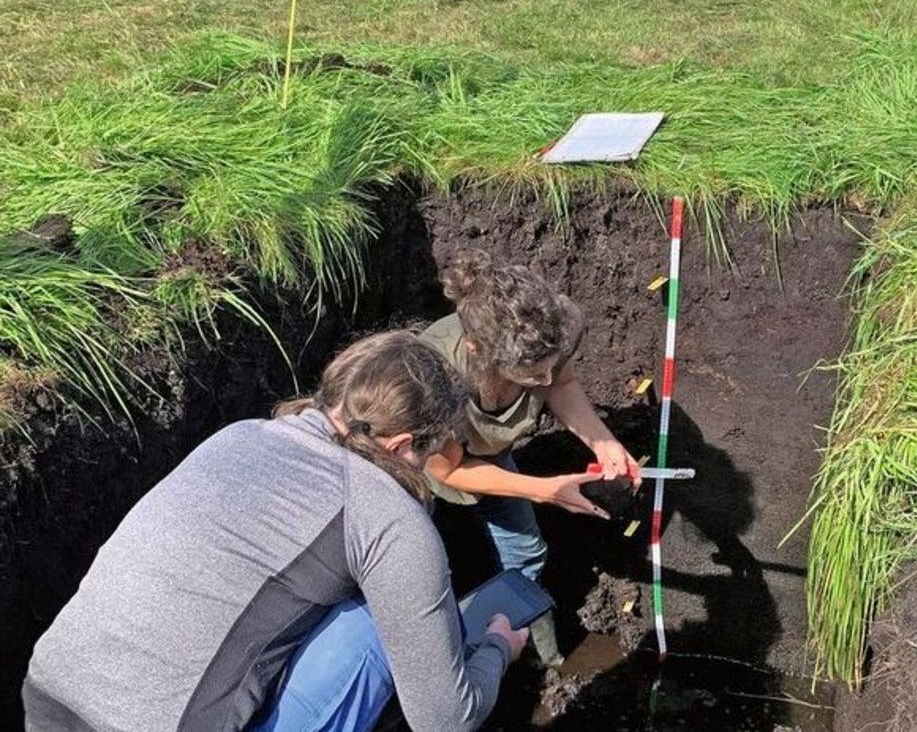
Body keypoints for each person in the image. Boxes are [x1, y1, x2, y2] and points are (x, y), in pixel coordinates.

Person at [24, 331, 527, 732]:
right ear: (400, 447)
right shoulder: (388, 517)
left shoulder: (240, 435)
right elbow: (445, 720)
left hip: (49, 697)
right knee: (371, 631)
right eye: (431, 451)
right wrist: (497, 650)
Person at [418, 250, 641, 666]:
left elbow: (563, 383)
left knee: (527, 552)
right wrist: (543, 491)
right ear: (477, 349)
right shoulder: (435, 374)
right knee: (427, 573)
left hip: (487, 454)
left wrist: (602, 441)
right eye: (531, 375)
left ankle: (537, 656)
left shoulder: (548, 329)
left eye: (548, 367)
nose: (544, 381)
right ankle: (446, 663)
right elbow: (447, 470)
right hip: (412, 473)